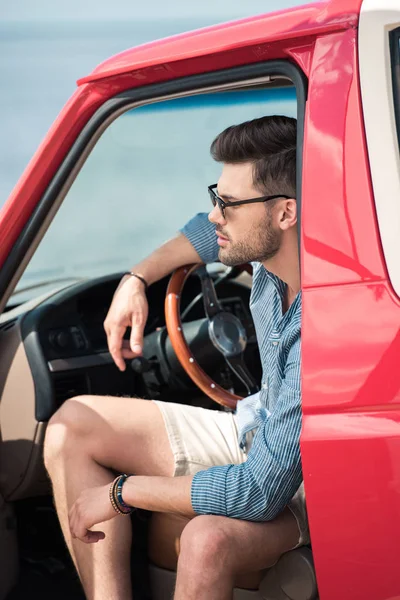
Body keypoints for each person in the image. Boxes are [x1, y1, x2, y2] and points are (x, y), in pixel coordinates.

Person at [44, 114, 308, 600]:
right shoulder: (274, 256)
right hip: (257, 429)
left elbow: (259, 491)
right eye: (215, 196)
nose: (214, 215)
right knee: (73, 423)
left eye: (227, 204)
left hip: (312, 482)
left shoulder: (323, 322)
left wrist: (121, 492)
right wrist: (136, 279)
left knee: (204, 539)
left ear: (286, 213)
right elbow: (202, 236)